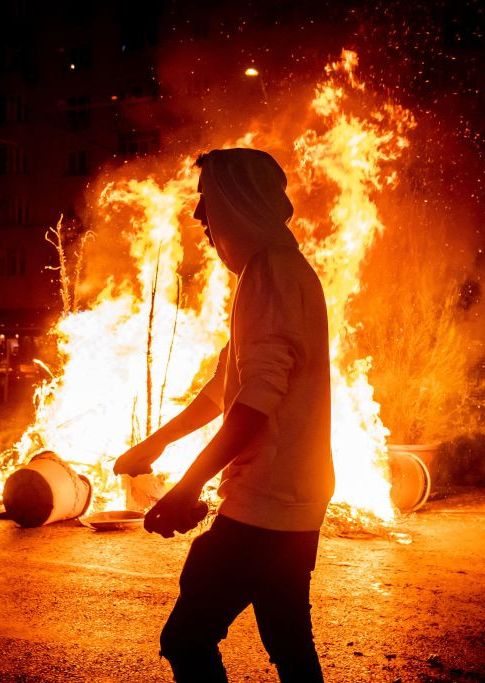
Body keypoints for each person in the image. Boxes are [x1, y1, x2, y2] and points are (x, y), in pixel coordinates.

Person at [114, 148, 334, 682]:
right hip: (292, 497)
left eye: (206, 200)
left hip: (267, 501)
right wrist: (157, 443)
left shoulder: (271, 271)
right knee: (289, 643)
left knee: (187, 640)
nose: (199, 216)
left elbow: (256, 401)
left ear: (238, 202)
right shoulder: (274, 269)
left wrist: (187, 487)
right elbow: (225, 386)